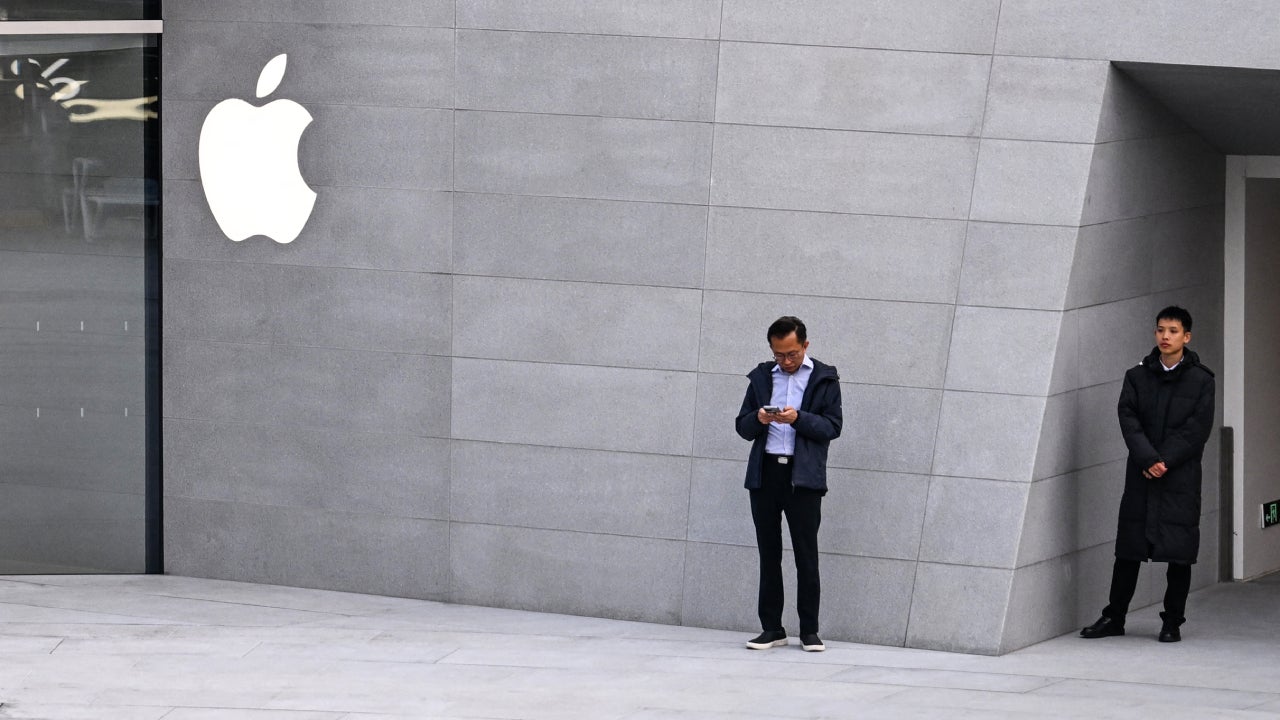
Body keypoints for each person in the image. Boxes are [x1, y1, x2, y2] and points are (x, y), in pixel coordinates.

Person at [1081, 305, 1215, 643]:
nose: (1165, 336)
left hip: (1179, 477)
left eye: (1172, 331)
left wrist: (1165, 460)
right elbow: (1128, 418)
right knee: (1128, 550)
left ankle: (1172, 622)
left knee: (1178, 554)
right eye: (1160, 330)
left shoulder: (1201, 380)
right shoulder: (1136, 376)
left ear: (1186, 336)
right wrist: (1148, 459)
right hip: (1142, 475)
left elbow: (1197, 428)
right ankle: (1114, 617)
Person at [735, 316, 842, 652]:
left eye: (792, 354)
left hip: (804, 477)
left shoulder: (825, 378)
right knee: (769, 553)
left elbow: (832, 427)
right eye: (779, 354)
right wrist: (760, 418)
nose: (786, 361)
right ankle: (772, 628)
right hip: (766, 474)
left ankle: (809, 631)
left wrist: (798, 419)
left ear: (805, 346)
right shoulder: (762, 377)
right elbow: (742, 426)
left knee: (805, 555)